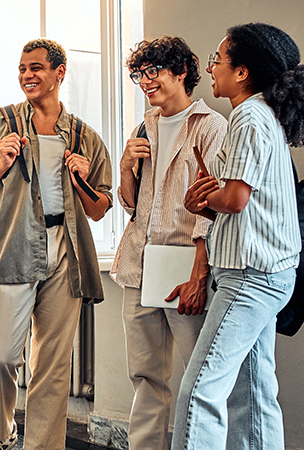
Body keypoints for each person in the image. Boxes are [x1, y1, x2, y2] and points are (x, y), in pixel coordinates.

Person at [0, 38, 113, 450]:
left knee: (53, 367)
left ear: (59, 73)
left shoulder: (85, 136)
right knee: (0, 357)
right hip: (13, 248)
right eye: (23, 68)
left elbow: (100, 209)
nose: (27, 75)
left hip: (67, 252)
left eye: (37, 68)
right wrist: (0, 163)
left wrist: (81, 179)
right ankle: (3, 429)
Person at [172, 23, 304, 449]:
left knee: (199, 390)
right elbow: (235, 196)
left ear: (242, 72)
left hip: (249, 276)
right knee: (253, 395)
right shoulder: (261, 114)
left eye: (218, 59)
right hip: (266, 272)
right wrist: (209, 197)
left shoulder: (250, 116)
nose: (211, 66)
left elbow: (234, 198)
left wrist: (205, 200)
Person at [109, 36, 226, 450]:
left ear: (180, 72)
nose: (145, 81)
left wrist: (200, 272)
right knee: (145, 377)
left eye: (153, 71)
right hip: (139, 265)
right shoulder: (146, 126)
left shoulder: (211, 126)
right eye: (140, 74)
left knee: (201, 375)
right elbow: (132, 204)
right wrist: (125, 164)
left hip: (184, 266)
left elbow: (213, 211)